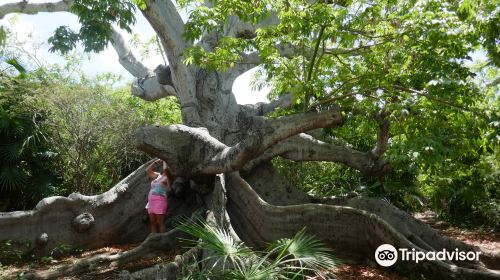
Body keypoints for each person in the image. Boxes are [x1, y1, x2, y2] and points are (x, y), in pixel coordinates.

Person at [145, 159, 174, 233]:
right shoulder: (158, 175)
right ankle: (154, 240)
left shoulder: (169, 177)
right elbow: (147, 170)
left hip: (160, 201)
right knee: (153, 222)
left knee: (160, 222)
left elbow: (166, 169)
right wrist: (155, 162)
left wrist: (164, 159)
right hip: (151, 202)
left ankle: (161, 240)